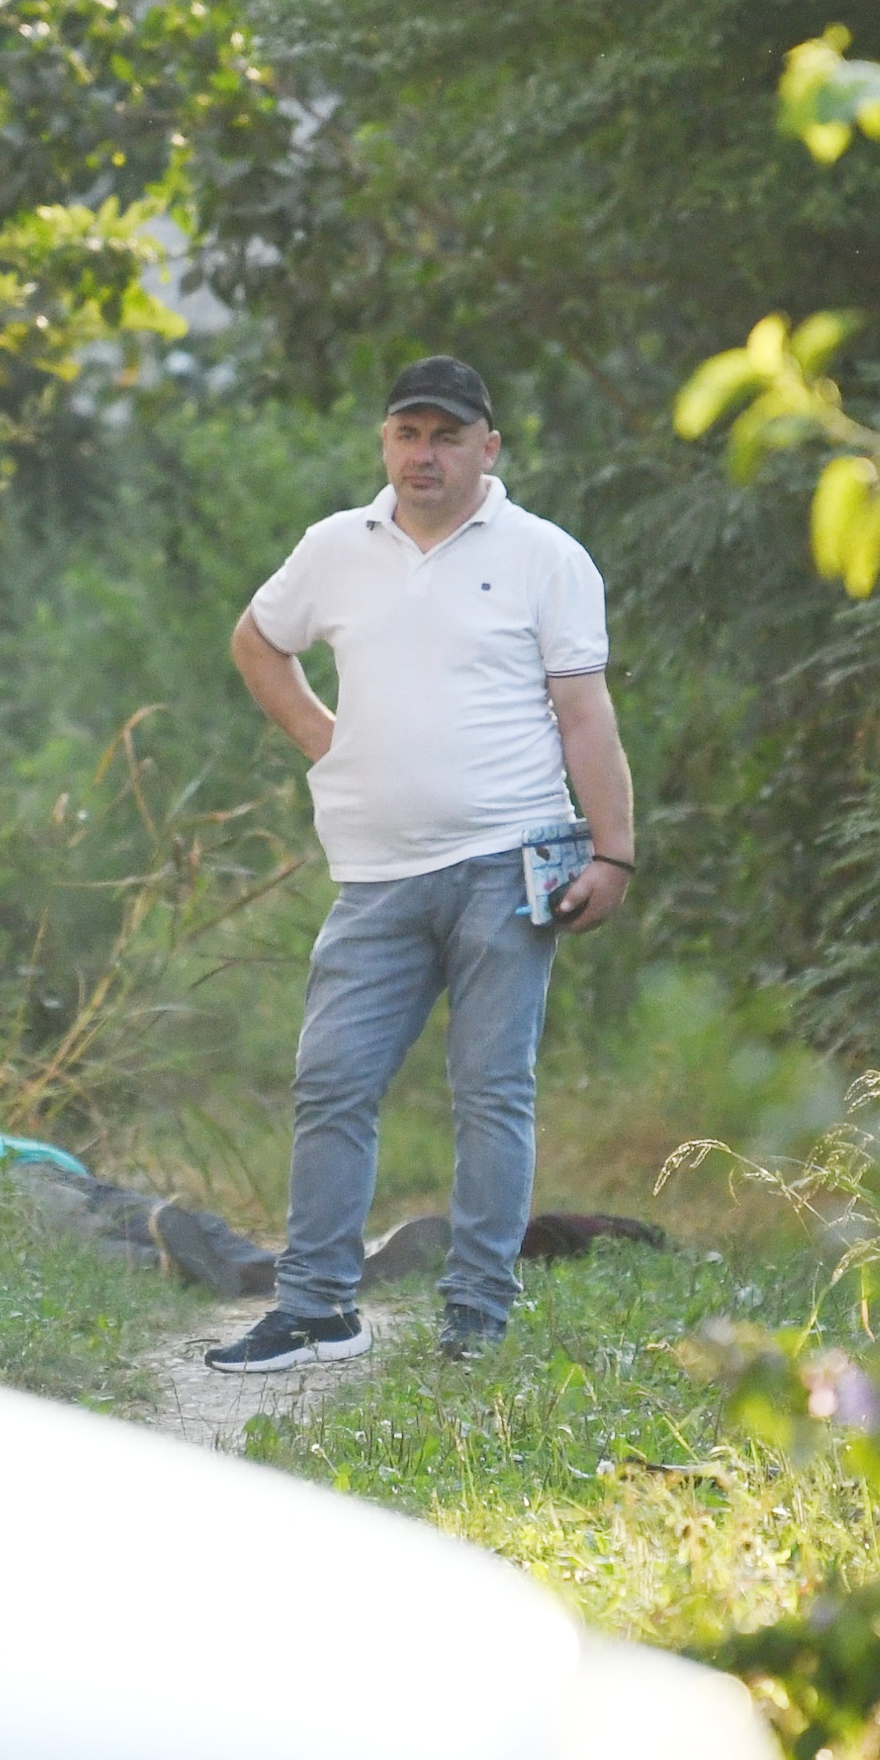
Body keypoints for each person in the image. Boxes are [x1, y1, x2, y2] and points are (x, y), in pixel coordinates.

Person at [205, 356, 639, 1369]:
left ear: (489, 447)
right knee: (332, 1081)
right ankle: (317, 1309)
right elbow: (258, 643)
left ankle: (477, 1315)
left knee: (491, 1091)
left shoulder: (545, 556)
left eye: (447, 436)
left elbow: (586, 714)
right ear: (384, 442)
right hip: (376, 871)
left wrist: (614, 851)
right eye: (407, 433)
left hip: (508, 861)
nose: (424, 454)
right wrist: (329, 740)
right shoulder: (333, 549)